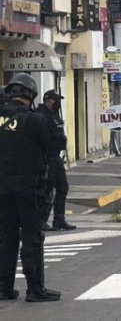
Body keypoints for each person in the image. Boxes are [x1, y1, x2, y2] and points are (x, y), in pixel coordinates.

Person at [0, 73, 61, 302]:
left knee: (6, 237)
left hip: (2, 186)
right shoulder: (35, 120)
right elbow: (54, 148)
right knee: (32, 236)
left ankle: (4, 288)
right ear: (31, 95)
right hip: (28, 187)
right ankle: (35, 289)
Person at [33, 93, 73, 233]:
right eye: (55, 100)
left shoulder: (55, 115)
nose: (57, 103)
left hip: (56, 156)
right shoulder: (39, 116)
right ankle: (41, 220)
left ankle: (59, 219)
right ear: (47, 101)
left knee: (62, 187)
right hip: (45, 157)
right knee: (45, 190)